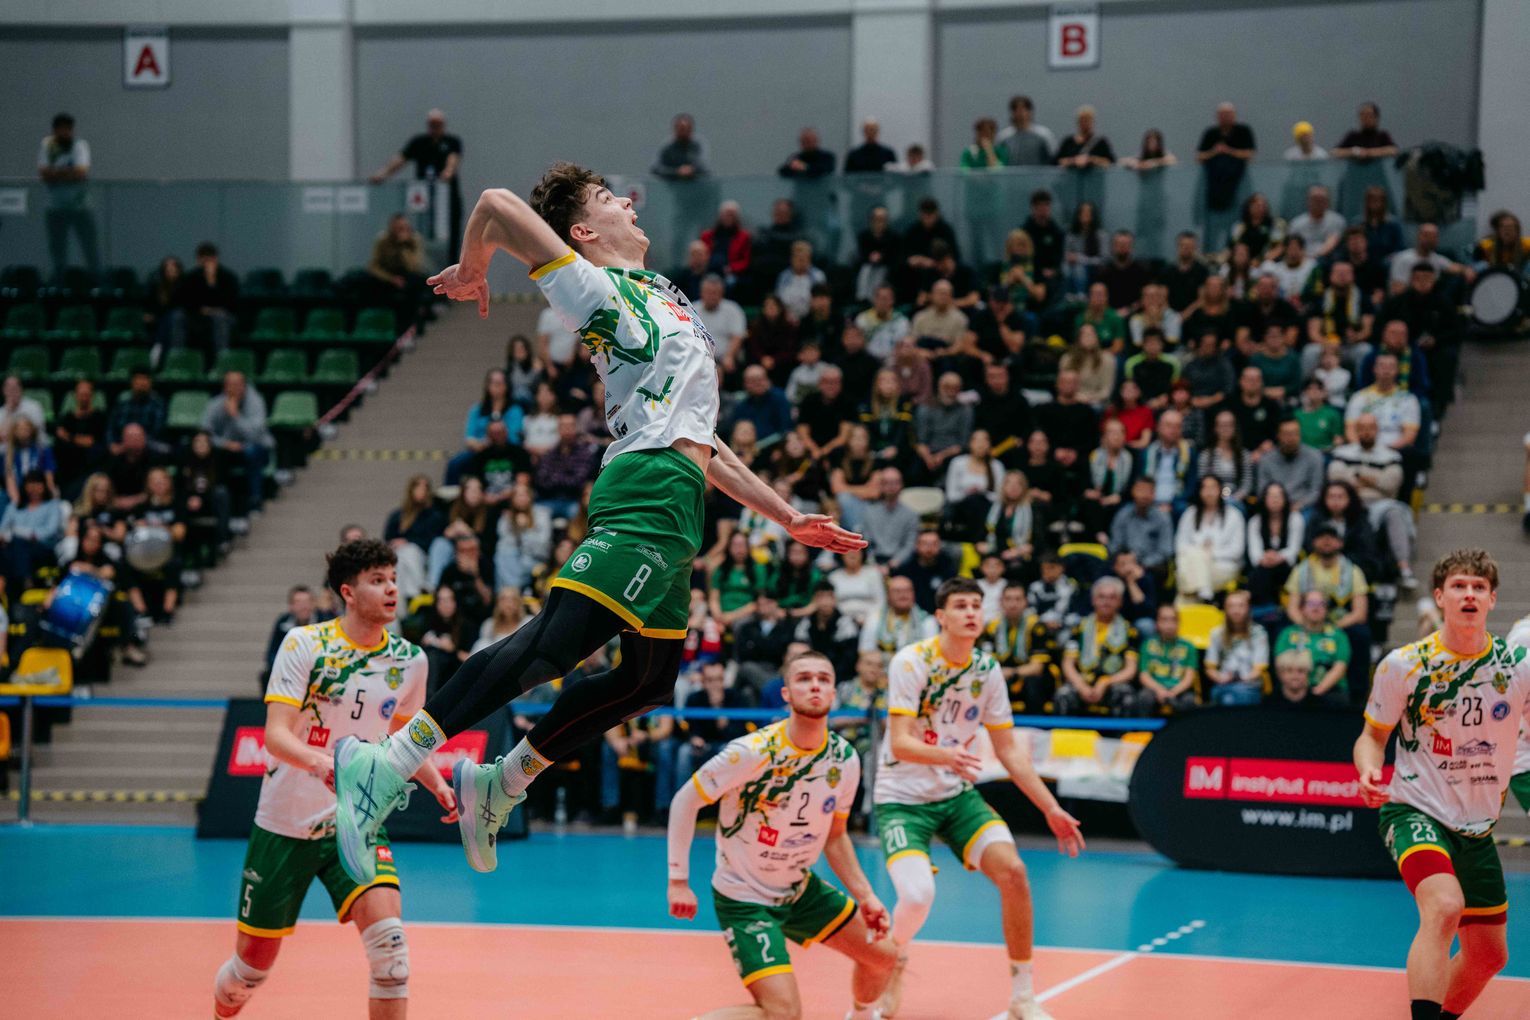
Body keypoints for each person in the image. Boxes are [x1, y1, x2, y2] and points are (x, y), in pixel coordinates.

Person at [333, 162, 865, 884]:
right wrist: (474, 265)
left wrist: (787, 514)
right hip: (647, 487)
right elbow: (495, 201)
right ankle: (385, 765)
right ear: (583, 230)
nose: (629, 203)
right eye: (611, 199)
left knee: (648, 679)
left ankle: (502, 781)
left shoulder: (664, 295)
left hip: (681, 494)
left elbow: (704, 442)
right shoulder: (593, 285)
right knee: (556, 644)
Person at [213, 540, 455, 1020]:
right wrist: (323, 764)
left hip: (358, 822)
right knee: (250, 971)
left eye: (393, 579)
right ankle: (224, 1006)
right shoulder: (305, 645)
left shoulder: (410, 660)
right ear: (348, 592)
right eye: (377, 581)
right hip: (285, 824)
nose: (391, 589)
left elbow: (402, 735)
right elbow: (276, 737)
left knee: (392, 956)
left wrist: (438, 783)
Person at [875, 578, 1083, 1019]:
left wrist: (1050, 807)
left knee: (1015, 873)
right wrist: (947, 755)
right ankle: (895, 957)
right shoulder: (911, 662)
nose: (970, 612)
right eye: (960, 605)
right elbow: (900, 743)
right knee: (917, 897)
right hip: (902, 798)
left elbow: (1009, 750)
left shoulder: (987, 671)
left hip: (955, 795)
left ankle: (1022, 997)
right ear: (941, 616)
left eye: (976, 605)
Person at [666, 652, 896, 1020]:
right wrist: (678, 880)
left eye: (823, 679)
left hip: (798, 889)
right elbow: (685, 801)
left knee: (883, 957)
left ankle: (860, 1015)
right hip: (744, 897)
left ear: (834, 693)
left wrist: (866, 896)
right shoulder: (753, 752)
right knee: (783, 1013)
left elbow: (835, 836)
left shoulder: (844, 760)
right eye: (804, 678)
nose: (815, 685)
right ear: (786, 693)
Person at [1355, 549, 1530, 1020]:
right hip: (1415, 810)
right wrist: (1369, 768)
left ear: (1492, 599)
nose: (1469, 594)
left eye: (1478, 587)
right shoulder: (1405, 665)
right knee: (1445, 906)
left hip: (1477, 828)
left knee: (1489, 956)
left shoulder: (1517, 666)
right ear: (1440, 596)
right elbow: (1372, 737)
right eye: (1459, 586)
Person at [370, 109, 463, 257]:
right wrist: (382, 174)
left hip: (446, 198)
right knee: (421, 230)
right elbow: (400, 159)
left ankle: (452, 263)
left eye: (438, 125)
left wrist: (447, 173)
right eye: (432, 124)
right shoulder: (419, 142)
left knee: (451, 233)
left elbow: (453, 160)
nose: (435, 128)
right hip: (424, 198)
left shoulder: (452, 142)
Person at [1054, 576, 1143, 717]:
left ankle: (1120, 733)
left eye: (1112, 598)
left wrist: (1105, 683)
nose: (1106, 602)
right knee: (1063, 695)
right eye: (1101, 597)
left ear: (1120, 602)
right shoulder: (1079, 628)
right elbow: (1068, 664)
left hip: (1113, 682)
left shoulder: (1130, 631)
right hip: (1083, 681)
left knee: (1126, 696)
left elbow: (1130, 670)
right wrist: (1081, 686)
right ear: (1093, 600)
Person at [201, 371, 272, 520]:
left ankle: (255, 501)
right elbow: (204, 434)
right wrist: (224, 443)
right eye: (229, 384)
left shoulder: (256, 402)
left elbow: (255, 436)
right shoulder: (215, 404)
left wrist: (235, 416)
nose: (233, 388)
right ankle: (220, 503)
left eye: (237, 384)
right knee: (211, 453)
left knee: (252, 453)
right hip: (226, 449)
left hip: (254, 447)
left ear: (244, 386)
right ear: (224, 387)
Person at [37, 112, 99, 278]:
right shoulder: (47, 146)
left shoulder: (80, 145)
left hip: (80, 205)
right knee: (57, 247)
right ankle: (59, 280)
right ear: (55, 130)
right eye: (60, 129)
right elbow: (44, 174)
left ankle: (95, 278)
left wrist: (56, 173)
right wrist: (68, 173)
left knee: (89, 245)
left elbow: (81, 172)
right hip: (55, 206)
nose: (64, 133)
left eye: (67, 129)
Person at [1175, 475, 1245, 605]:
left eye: (1213, 488)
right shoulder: (1190, 514)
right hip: (1194, 565)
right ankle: (1205, 594)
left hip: (1223, 565)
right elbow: (1180, 546)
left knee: (1187, 580)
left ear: (1220, 490)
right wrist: (1200, 553)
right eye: (1205, 488)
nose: (1209, 492)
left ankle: (1190, 603)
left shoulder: (1234, 515)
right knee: (1192, 562)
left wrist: (1209, 553)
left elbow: (1237, 551)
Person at [1274, 592, 1350, 706]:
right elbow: (1280, 666)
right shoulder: (1287, 634)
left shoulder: (1339, 636)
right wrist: (1295, 691)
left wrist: (1316, 692)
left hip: (1329, 691)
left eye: (1321, 604)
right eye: (1310, 604)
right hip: (1292, 691)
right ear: (1302, 608)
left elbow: (1340, 667)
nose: (1316, 608)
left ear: (1327, 609)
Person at [173, 242, 240, 355]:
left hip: (223, 314)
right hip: (197, 314)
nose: (207, 264)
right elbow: (186, 300)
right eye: (204, 260)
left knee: (220, 318)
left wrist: (211, 282)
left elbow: (230, 302)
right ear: (198, 260)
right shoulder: (191, 277)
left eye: (210, 260)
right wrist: (201, 310)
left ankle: (221, 356)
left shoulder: (228, 277)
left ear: (216, 259)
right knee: (178, 316)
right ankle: (177, 356)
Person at [1203, 590, 1268, 705]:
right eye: (1231, 606)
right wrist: (1220, 678)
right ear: (1225, 609)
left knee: (1232, 699)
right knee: (1225, 697)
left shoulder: (1259, 633)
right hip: (1223, 684)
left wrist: (1243, 679)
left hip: (1249, 684)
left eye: (1241, 606)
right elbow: (1210, 668)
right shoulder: (1216, 633)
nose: (1236, 610)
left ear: (1248, 608)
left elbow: (1258, 669)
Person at [1138, 604, 1202, 713]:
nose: (1169, 624)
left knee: (1189, 701)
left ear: (1179, 623)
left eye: (1173, 620)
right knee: (1144, 697)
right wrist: (1160, 690)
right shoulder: (1147, 644)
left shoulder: (1189, 646)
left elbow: (1189, 678)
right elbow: (1144, 675)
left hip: (1179, 690)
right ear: (1157, 623)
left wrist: (1173, 692)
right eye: (1164, 620)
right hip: (1154, 688)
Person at [1196, 102, 1256, 214]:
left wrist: (1229, 151)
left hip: (1237, 178)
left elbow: (1250, 154)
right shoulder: (1211, 133)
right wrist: (1215, 151)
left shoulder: (1243, 131)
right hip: (1214, 179)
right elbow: (1199, 156)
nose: (1225, 117)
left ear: (1234, 115)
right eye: (1222, 114)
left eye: (1228, 114)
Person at [262, 585, 328, 679]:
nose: (303, 606)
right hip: (289, 671)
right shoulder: (283, 623)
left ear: (314, 604)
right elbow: (272, 653)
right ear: (291, 606)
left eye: (307, 602)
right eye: (298, 602)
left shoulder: (325, 622)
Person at [1288, 185, 1346, 260]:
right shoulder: (1296, 223)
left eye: (1321, 200)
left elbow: (1332, 242)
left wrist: (1313, 258)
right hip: (1300, 261)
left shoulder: (1337, 221)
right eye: (1315, 199)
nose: (1318, 203)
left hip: (1327, 261)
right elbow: (1293, 245)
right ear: (1308, 201)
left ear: (1327, 202)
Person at [1332, 101, 1398, 164]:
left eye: (1369, 115)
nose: (1365, 118)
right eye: (1362, 115)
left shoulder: (1382, 136)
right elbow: (1335, 152)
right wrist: (1355, 152)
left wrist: (1369, 153)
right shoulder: (1353, 136)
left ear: (1376, 118)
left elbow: (1393, 150)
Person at [997, 95, 1055, 166]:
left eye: (1023, 110)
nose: (1020, 114)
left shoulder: (1043, 135)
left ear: (1030, 112)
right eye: (1016, 110)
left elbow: (1052, 158)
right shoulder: (1004, 137)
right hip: (1012, 172)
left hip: (1038, 172)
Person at [650, 113, 709, 180]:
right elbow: (656, 168)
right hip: (671, 184)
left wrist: (692, 169)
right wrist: (676, 171)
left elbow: (703, 166)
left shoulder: (697, 147)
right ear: (675, 129)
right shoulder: (667, 148)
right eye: (682, 129)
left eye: (688, 129)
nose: (685, 132)